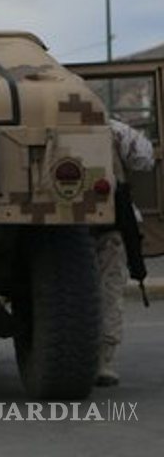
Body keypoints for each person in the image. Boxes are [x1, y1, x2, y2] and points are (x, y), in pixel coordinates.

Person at [95, 117, 156, 386]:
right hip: (109, 222)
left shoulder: (39, 121)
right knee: (109, 289)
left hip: (54, 230)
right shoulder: (112, 128)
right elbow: (145, 158)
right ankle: (103, 361)